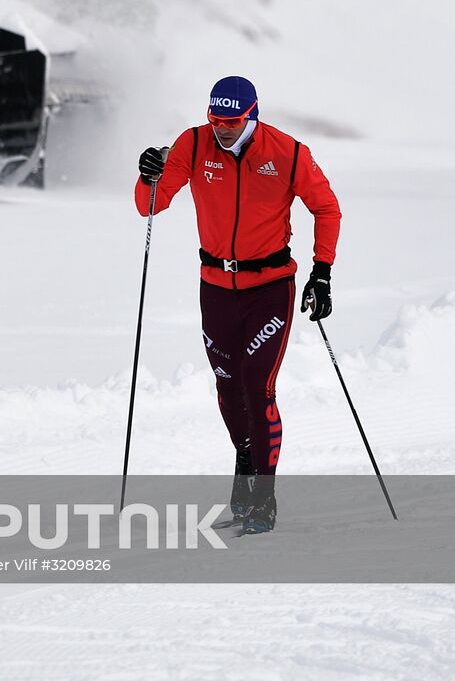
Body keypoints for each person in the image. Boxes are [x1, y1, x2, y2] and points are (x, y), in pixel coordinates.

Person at [135, 76, 341, 534]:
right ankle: (244, 462)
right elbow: (150, 206)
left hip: (269, 287)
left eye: (231, 121)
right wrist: (148, 175)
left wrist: (321, 272)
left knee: (257, 386)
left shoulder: (288, 153)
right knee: (227, 387)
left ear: (252, 114)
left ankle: (264, 496)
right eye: (216, 119)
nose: (222, 129)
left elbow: (327, 209)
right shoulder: (192, 144)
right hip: (215, 287)